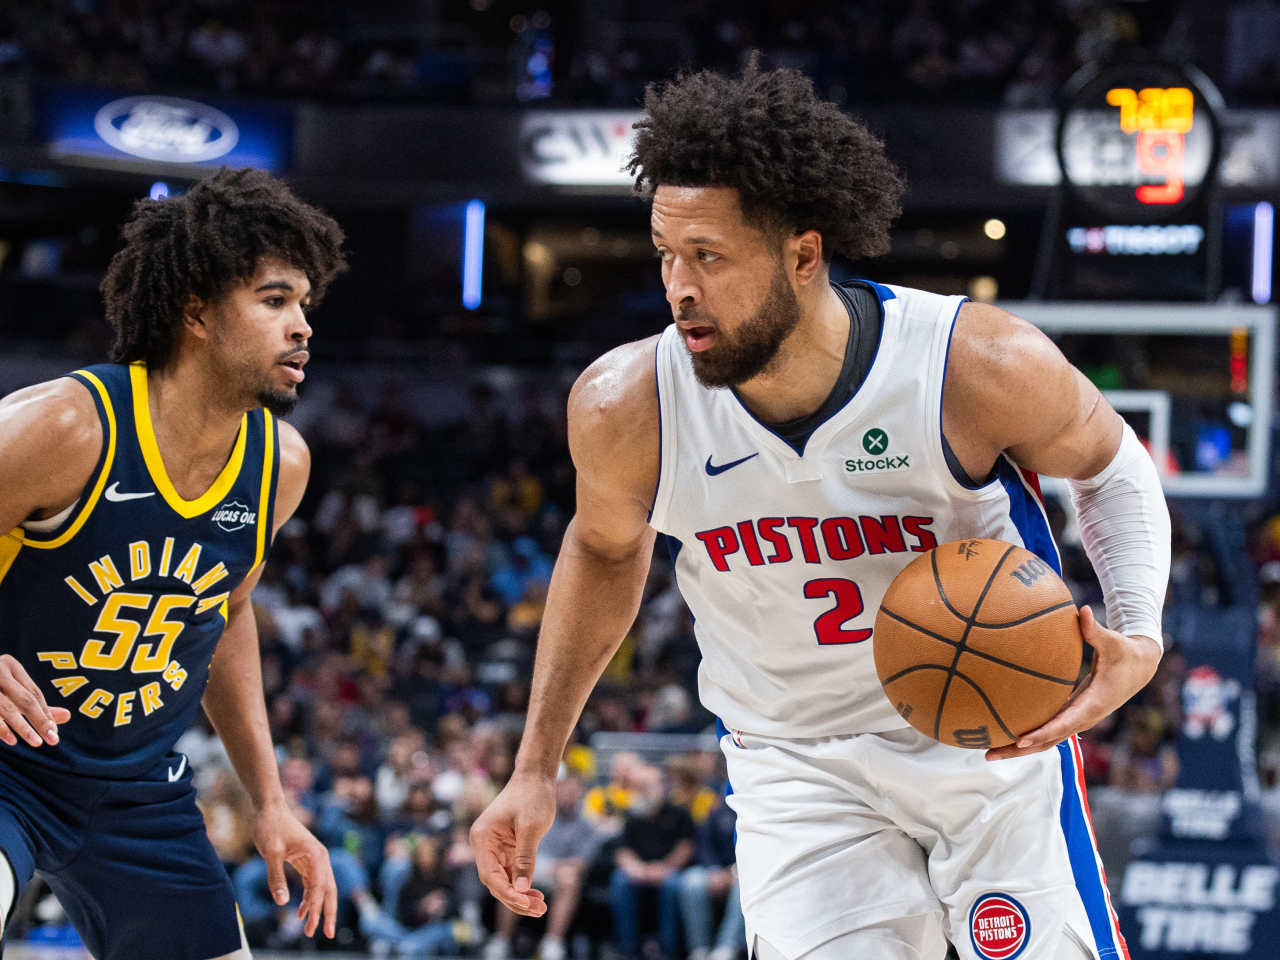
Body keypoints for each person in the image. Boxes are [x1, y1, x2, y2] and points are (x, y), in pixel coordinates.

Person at [472, 62, 1171, 960]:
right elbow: (605, 554)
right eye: (666, 254)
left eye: (710, 258)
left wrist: (1139, 633)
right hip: (793, 763)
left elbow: (1112, 466)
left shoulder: (972, 364)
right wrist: (534, 769)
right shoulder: (627, 405)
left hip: (988, 747)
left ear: (804, 255)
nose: (678, 286)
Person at [0, 167, 347, 959]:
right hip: (8, 771)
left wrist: (269, 800)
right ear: (196, 310)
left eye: (303, 304)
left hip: (138, 791)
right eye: (274, 300)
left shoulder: (278, 464)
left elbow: (222, 617)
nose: (303, 327)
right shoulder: (63, 428)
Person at [485, 774, 598, 960]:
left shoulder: (586, 827)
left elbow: (581, 863)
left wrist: (556, 868)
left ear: (581, 794)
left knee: (570, 878)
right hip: (532, 868)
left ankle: (552, 943)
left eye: (574, 791)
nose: (569, 795)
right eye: (565, 790)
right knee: (514, 874)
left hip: (560, 875)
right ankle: (500, 941)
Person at [607, 764, 695, 960]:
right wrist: (636, 868)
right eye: (639, 786)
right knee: (619, 881)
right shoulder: (630, 815)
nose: (643, 791)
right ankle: (626, 948)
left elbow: (685, 848)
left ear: (661, 786)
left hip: (669, 871)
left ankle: (668, 949)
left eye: (647, 785)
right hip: (638, 871)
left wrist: (664, 868)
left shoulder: (679, 814)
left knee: (673, 885)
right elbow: (622, 850)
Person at [679, 790, 744, 960]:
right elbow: (704, 846)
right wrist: (714, 870)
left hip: (742, 871)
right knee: (692, 880)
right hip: (716, 870)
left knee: (744, 884)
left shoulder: (755, 813)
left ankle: (727, 947)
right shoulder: (718, 812)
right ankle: (699, 949)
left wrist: (733, 871)